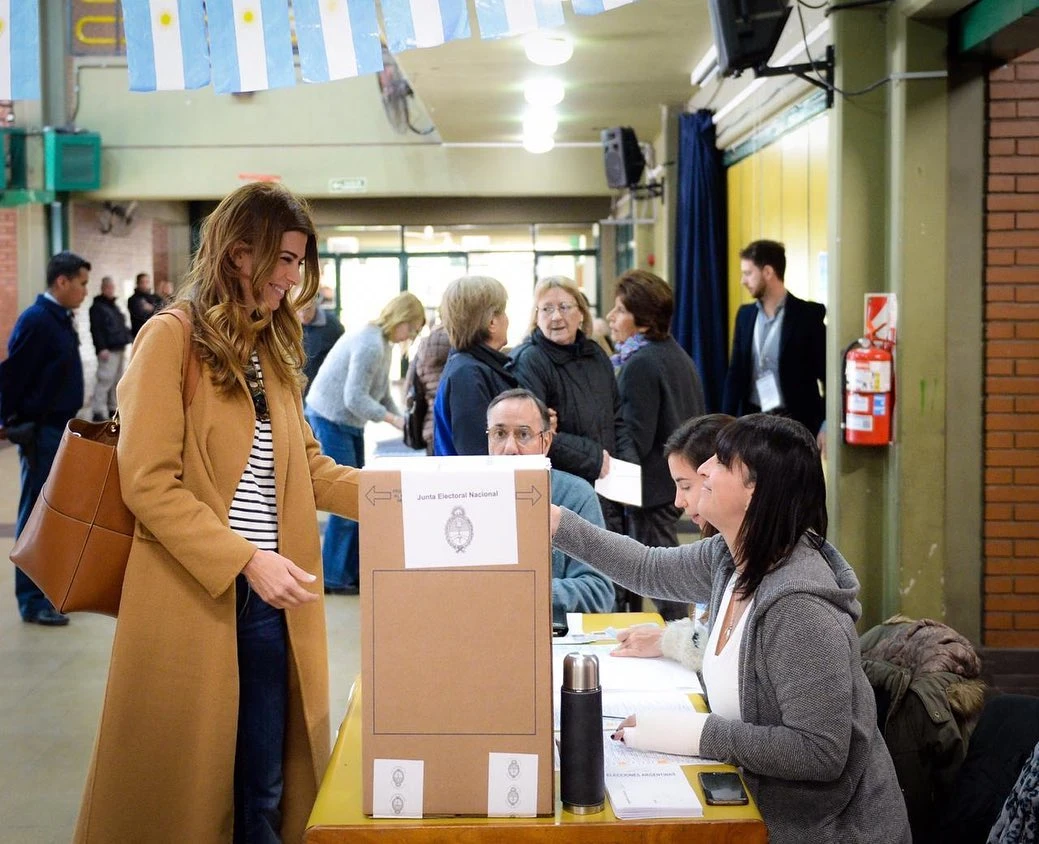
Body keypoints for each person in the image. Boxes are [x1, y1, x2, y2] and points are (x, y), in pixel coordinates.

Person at [74, 183, 361, 843]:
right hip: (198, 593)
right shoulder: (170, 338)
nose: (292, 277)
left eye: (298, 262)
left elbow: (310, 469)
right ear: (239, 254)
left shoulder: (269, 350)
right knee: (195, 790)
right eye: (283, 259)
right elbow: (149, 482)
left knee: (264, 784)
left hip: (269, 600)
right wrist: (247, 559)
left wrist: (409, 496)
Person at [550, 413, 910, 844]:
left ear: (755, 489)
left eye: (720, 461)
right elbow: (647, 567)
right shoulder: (730, 556)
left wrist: (698, 734)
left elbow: (819, 752)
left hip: (826, 831)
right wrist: (554, 523)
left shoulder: (799, 609)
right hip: (758, 807)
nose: (703, 469)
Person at [305, 291, 425, 595]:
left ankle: (349, 571)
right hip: (331, 418)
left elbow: (380, 394)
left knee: (361, 497)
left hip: (346, 421)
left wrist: (403, 420)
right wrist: (394, 420)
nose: (410, 337)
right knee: (345, 497)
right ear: (401, 319)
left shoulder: (382, 342)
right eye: (412, 329)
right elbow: (354, 398)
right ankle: (334, 576)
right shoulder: (371, 343)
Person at [607, 269, 706, 619]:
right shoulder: (674, 353)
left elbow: (635, 437)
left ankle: (683, 642)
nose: (611, 317)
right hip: (671, 483)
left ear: (644, 320)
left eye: (620, 310)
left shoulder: (640, 364)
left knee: (661, 581)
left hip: (651, 490)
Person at [0, 251, 91, 627]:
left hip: (61, 430)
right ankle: (31, 599)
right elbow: (13, 375)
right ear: (62, 281)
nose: (85, 291)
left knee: (53, 516)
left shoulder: (60, 319)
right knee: (35, 517)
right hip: (42, 432)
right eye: (81, 284)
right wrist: (10, 422)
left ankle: (47, 592)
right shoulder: (37, 320)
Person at [510, 276, 637, 535]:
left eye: (564, 307)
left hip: (609, 485)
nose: (556, 316)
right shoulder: (530, 361)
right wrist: (594, 458)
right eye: (546, 309)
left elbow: (617, 418)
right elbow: (536, 435)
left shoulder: (596, 354)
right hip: (563, 491)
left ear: (581, 313)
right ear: (536, 316)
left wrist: (627, 468)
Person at [610, 413, 734, 671]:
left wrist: (667, 640)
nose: (679, 501)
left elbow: (731, 652)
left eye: (686, 486)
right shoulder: (717, 547)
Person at [487, 388, 614, 619]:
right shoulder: (470, 496)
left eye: (523, 434)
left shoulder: (576, 496)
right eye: (499, 434)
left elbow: (598, 590)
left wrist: (522, 591)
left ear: (545, 442)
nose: (510, 449)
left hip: (553, 632)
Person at [721, 239, 826, 449]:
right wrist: (724, 424)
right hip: (752, 421)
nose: (743, 280)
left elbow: (828, 376)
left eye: (748, 273)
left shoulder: (807, 316)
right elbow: (735, 375)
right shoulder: (745, 316)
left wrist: (826, 424)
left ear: (768, 272)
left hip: (796, 424)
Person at [433, 275, 518, 456]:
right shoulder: (467, 374)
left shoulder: (469, 367)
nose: (507, 319)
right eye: (503, 312)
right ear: (492, 322)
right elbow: (477, 454)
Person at [88, 275, 132, 421]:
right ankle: (98, 410)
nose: (111, 290)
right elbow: (96, 330)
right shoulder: (97, 307)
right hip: (108, 350)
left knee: (117, 380)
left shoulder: (114, 306)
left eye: (112, 287)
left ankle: (113, 407)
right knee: (105, 379)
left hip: (119, 346)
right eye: (108, 287)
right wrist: (101, 348)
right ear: (103, 288)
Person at [403, 320, 450, 454]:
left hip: (431, 429)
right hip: (454, 430)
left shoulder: (423, 347)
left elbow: (408, 390)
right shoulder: (462, 345)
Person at [298, 299, 344, 398]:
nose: (303, 314)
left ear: (315, 303)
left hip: (323, 391)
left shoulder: (333, 325)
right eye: (299, 309)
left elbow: (342, 358)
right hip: (299, 390)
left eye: (307, 309)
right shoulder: (290, 325)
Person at [127, 271, 162, 338]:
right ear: (138, 283)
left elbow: (164, 308)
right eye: (142, 282)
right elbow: (143, 316)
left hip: (155, 332)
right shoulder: (133, 300)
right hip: (140, 335)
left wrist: (152, 308)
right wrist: (156, 309)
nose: (145, 284)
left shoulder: (155, 297)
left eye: (147, 282)